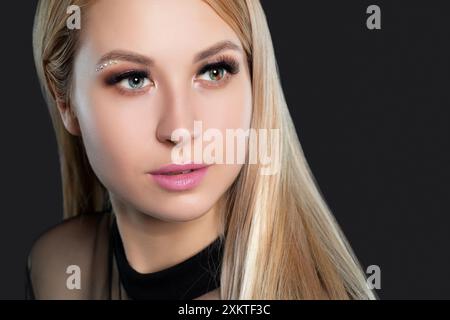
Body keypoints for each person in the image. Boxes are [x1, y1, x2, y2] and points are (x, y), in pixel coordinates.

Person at [27, 0, 377, 300]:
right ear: (65, 102)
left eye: (213, 71)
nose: (180, 129)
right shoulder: (55, 266)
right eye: (134, 79)